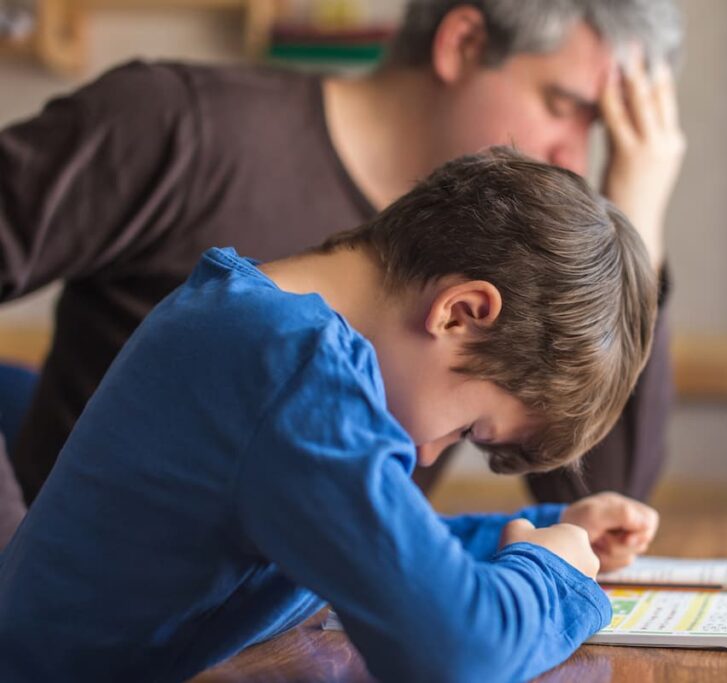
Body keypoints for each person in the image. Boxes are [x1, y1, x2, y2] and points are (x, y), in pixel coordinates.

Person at [0, 148, 660, 682]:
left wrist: (551, 528)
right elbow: (458, 654)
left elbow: (377, 545)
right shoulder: (292, 364)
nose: (429, 456)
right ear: (461, 313)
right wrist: (553, 576)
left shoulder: (253, 321)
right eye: (468, 429)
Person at [0, 0, 684, 509]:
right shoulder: (175, 126)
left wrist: (639, 219)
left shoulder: (506, 260)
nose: (575, 157)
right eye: (565, 106)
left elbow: (599, 492)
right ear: (464, 42)